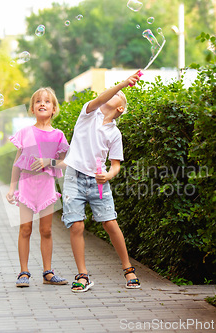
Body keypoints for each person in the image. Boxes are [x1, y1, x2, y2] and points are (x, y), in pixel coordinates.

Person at [62, 71, 142, 292]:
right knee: (77, 224)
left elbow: (116, 164)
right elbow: (101, 99)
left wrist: (109, 175)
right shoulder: (89, 113)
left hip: (99, 182)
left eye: (119, 95)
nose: (109, 95)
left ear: (120, 109)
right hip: (74, 177)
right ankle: (83, 275)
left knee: (110, 223)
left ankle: (128, 269)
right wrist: (123, 83)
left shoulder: (115, 134)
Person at [6, 87, 69, 288]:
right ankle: (24, 272)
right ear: (32, 109)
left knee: (47, 230)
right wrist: (11, 188)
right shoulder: (25, 133)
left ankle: (47, 272)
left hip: (46, 188)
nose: (42, 104)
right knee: (25, 229)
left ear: (54, 109)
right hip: (26, 186)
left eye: (47, 101)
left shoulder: (58, 135)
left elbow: (63, 163)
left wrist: (47, 161)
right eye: (38, 101)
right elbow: (17, 162)